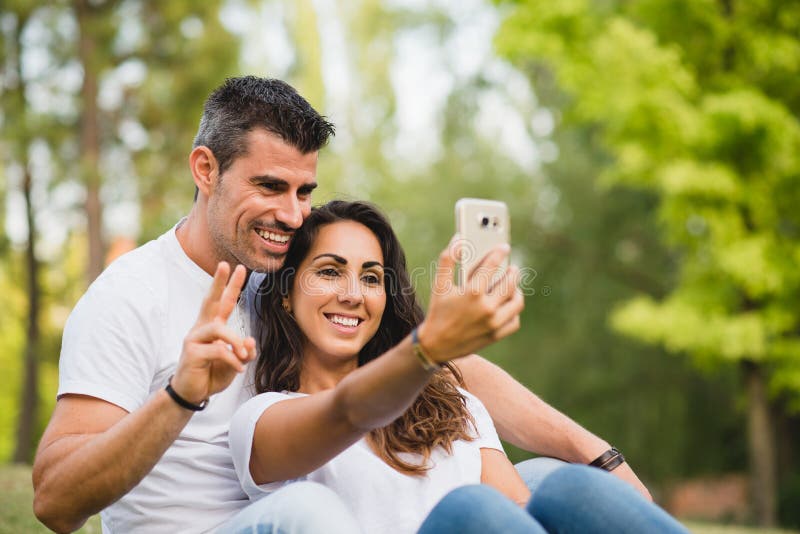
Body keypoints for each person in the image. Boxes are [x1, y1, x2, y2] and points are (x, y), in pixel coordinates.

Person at [32, 76, 651, 533]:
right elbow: (55, 500)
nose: (293, 214)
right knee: (313, 510)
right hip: (244, 524)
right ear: (205, 169)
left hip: (327, 509)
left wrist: (595, 453)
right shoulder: (129, 296)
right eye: (270, 186)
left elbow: (447, 371)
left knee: (557, 486)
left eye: (305, 191)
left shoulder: (275, 274)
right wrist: (180, 396)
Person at [228, 200, 688, 533]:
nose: (352, 293)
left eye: (371, 277)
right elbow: (346, 412)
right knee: (471, 509)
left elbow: (520, 511)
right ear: (286, 295)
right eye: (329, 271)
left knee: (569, 489)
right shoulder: (263, 419)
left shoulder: (451, 404)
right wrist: (428, 347)